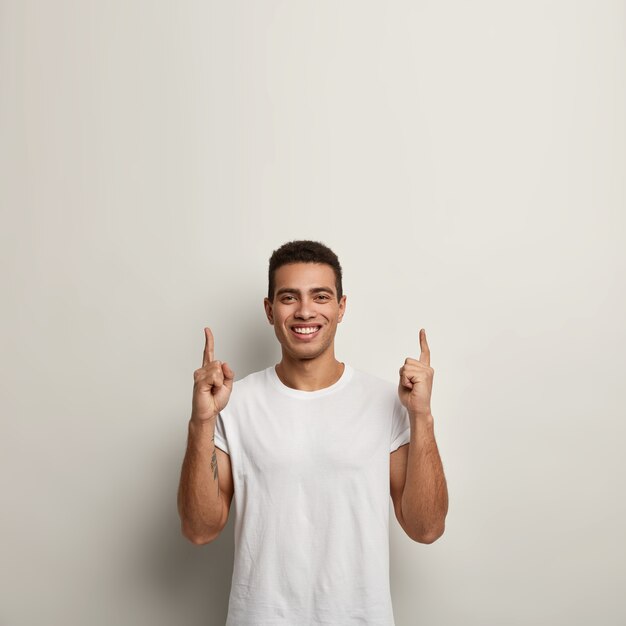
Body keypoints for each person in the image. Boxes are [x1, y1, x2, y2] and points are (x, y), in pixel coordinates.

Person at [177, 240, 448, 625]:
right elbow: (199, 530)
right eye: (289, 297)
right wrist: (200, 421)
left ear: (341, 307)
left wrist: (422, 417)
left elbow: (427, 528)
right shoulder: (233, 404)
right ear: (270, 311)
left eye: (320, 296)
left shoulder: (387, 402)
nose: (305, 310)